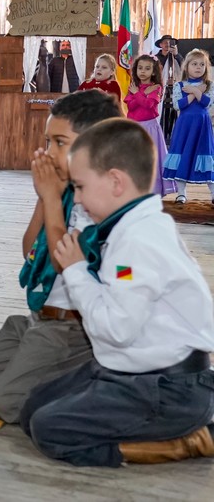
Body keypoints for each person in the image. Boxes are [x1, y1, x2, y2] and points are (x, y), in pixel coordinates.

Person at [21, 118, 214, 467]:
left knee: (50, 429)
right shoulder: (128, 227)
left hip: (171, 388)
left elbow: (115, 330)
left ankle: (190, 440)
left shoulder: (139, 241)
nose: (77, 198)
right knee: (31, 408)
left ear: (115, 182)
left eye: (80, 187)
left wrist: (76, 270)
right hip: (128, 369)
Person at [0, 90, 122, 423]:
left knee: (5, 402)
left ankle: (100, 382)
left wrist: (51, 199)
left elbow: (66, 263)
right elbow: (31, 253)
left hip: (73, 329)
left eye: (60, 143)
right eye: (48, 142)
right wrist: (44, 198)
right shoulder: (63, 192)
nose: (49, 152)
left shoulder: (104, 206)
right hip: (39, 318)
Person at [162, 49, 214, 205]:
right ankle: (181, 194)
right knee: (182, 155)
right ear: (186, 67)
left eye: (202, 65)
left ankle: (213, 193)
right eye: (194, 64)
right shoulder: (179, 85)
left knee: (205, 155)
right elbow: (178, 105)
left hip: (202, 127)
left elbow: (207, 103)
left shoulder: (209, 85)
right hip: (184, 127)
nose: (198, 67)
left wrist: (196, 90)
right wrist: (194, 92)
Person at [125, 54, 175, 196]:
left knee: (150, 159)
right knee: (134, 159)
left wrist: (138, 94)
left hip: (150, 128)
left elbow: (148, 105)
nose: (143, 71)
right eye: (140, 68)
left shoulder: (156, 88)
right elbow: (131, 106)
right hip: (134, 128)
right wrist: (141, 93)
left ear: (153, 72)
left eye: (147, 68)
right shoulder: (133, 86)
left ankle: (153, 190)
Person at [155, 35, 184, 143]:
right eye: (165, 42)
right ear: (160, 45)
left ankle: (173, 137)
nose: (167, 44)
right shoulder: (155, 58)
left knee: (174, 113)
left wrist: (176, 55)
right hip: (160, 90)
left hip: (174, 89)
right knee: (161, 114)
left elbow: (184, 67)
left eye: (170, 42)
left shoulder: (176, 57)